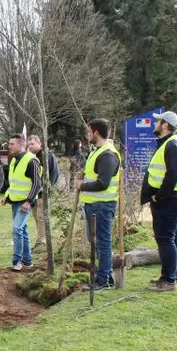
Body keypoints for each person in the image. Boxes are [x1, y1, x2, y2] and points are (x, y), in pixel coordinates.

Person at [141, 111, 177, 292]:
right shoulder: (169, 143)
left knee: (165, 238)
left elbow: (173, 175)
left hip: (171, 199)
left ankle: (169, 281)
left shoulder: (173, 145)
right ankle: (171, 275)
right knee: (172, 237)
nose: (155, 124)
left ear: (165, 125)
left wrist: (159, 196)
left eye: (158, 121)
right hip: (173, 198)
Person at [75, 119, 121, 291]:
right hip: (93, 205)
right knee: (95, 241)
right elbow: (94, 174)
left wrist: (82, 186)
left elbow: (103, 183)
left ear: (95, 133)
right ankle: (104, 275)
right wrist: (83, 175)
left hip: (102, 205)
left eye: (88, 131)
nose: (87, 135)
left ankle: (104, 280)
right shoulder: (97, 152)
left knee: (102, 242)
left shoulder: (107, 154)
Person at [3, 134, 42, 271]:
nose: (9, 146)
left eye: (12, 144)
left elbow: (37, 184)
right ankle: (27, 261)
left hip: (25, 203)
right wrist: (7, 197)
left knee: (17, 228)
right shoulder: (14, 160)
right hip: (14, 201)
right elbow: (13, 183)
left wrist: (29, 201)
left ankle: (17, 261)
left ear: (21, 145)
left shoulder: (31, 161)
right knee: (23, 229)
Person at [26, 135, 59, 250]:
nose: (30, 147)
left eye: (32, 144)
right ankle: (40, 240)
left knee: (41, 217)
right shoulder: (33, 157)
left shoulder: (46, 156)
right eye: (28, 144)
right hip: (35, 194)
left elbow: (53, 174)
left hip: (43, 192)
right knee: (36, 217)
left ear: (40, 144)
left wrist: (46, 188)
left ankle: (42, 242)